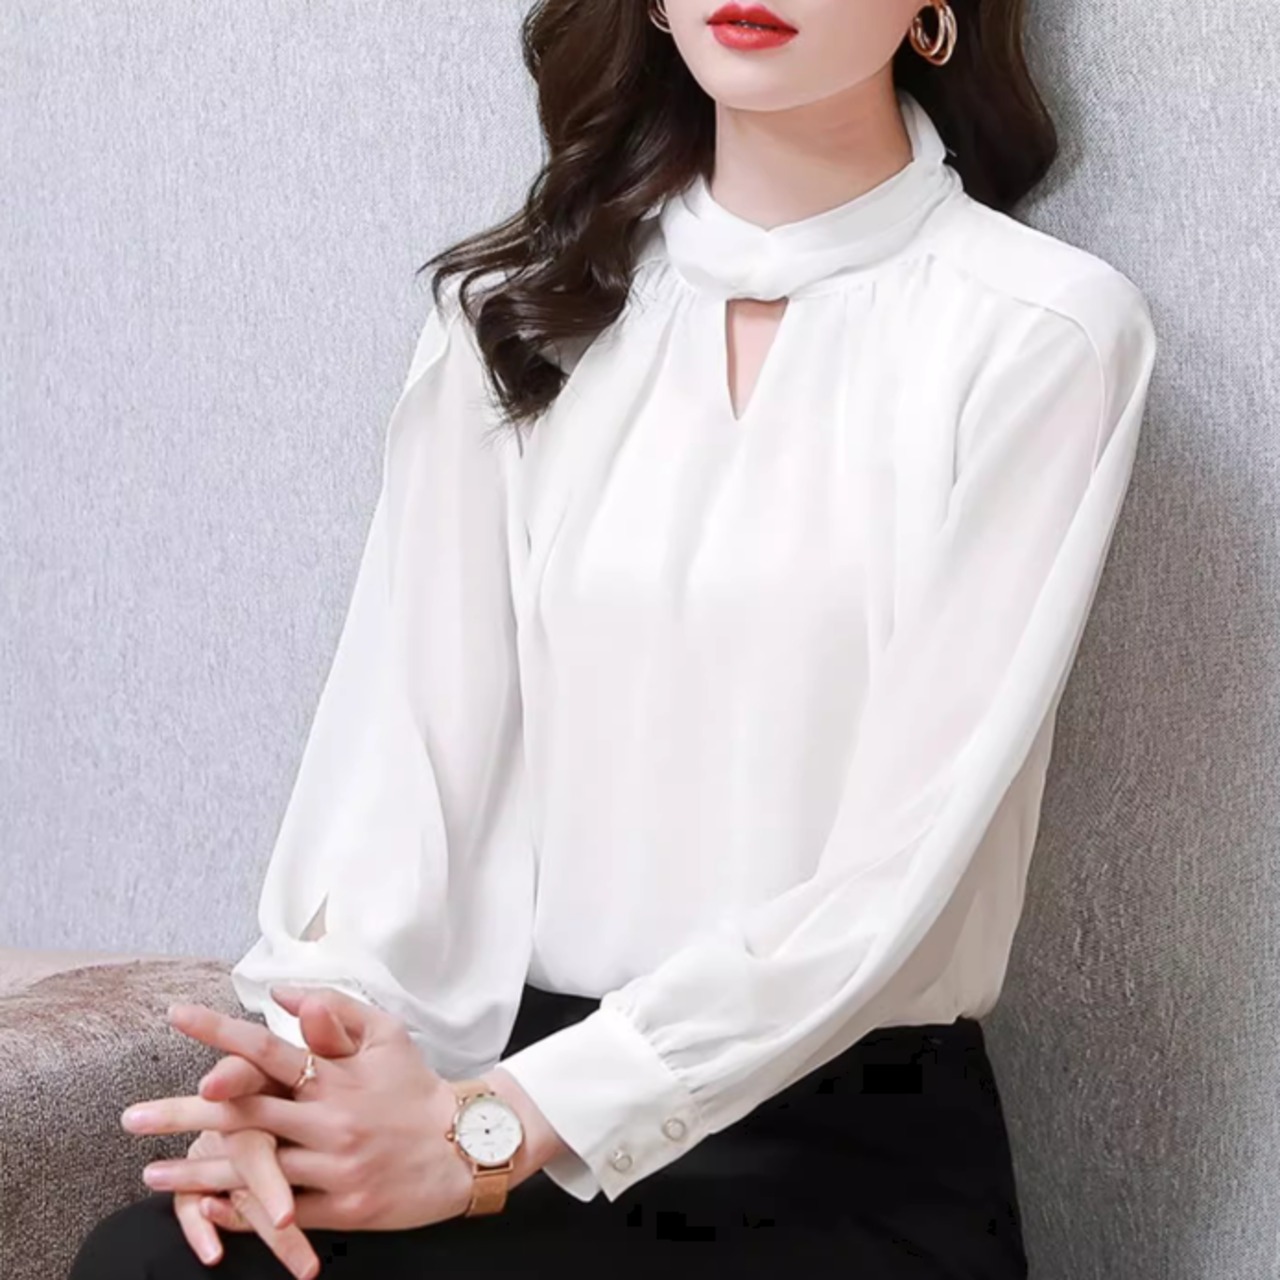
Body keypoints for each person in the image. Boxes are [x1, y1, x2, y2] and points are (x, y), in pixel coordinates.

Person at [68, 0, 1158, 1276]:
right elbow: (407, 765)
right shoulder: (516, 315)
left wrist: (488, 1131)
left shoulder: (1041, 331)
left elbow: (897, 869)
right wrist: (311, 1075)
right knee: (155, 1265)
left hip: (834, 1146)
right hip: (503, 1096)